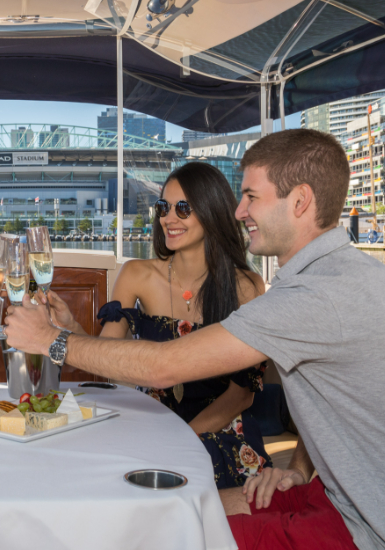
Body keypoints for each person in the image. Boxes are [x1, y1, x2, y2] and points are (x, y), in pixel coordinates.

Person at [5, 129, 385, 550]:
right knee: (176, 506)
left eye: (251, 196)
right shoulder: (346, 273)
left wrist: (52, 340)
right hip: (341, 500)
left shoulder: (317, 294)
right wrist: (299, 469)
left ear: (300, 201)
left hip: (381, 534)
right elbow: (334, 400)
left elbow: (165, 367)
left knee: (156, 531)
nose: (239, 210)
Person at [46, 162, 270, 489]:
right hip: (147, 421)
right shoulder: (136, 274)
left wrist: (180, 439)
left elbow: (241, 396)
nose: (168, 218)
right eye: (164, 207)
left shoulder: (247, 286)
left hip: (219, 427)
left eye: (183, 208)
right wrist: (71, 330)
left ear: (211, 210)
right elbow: (112, 361)